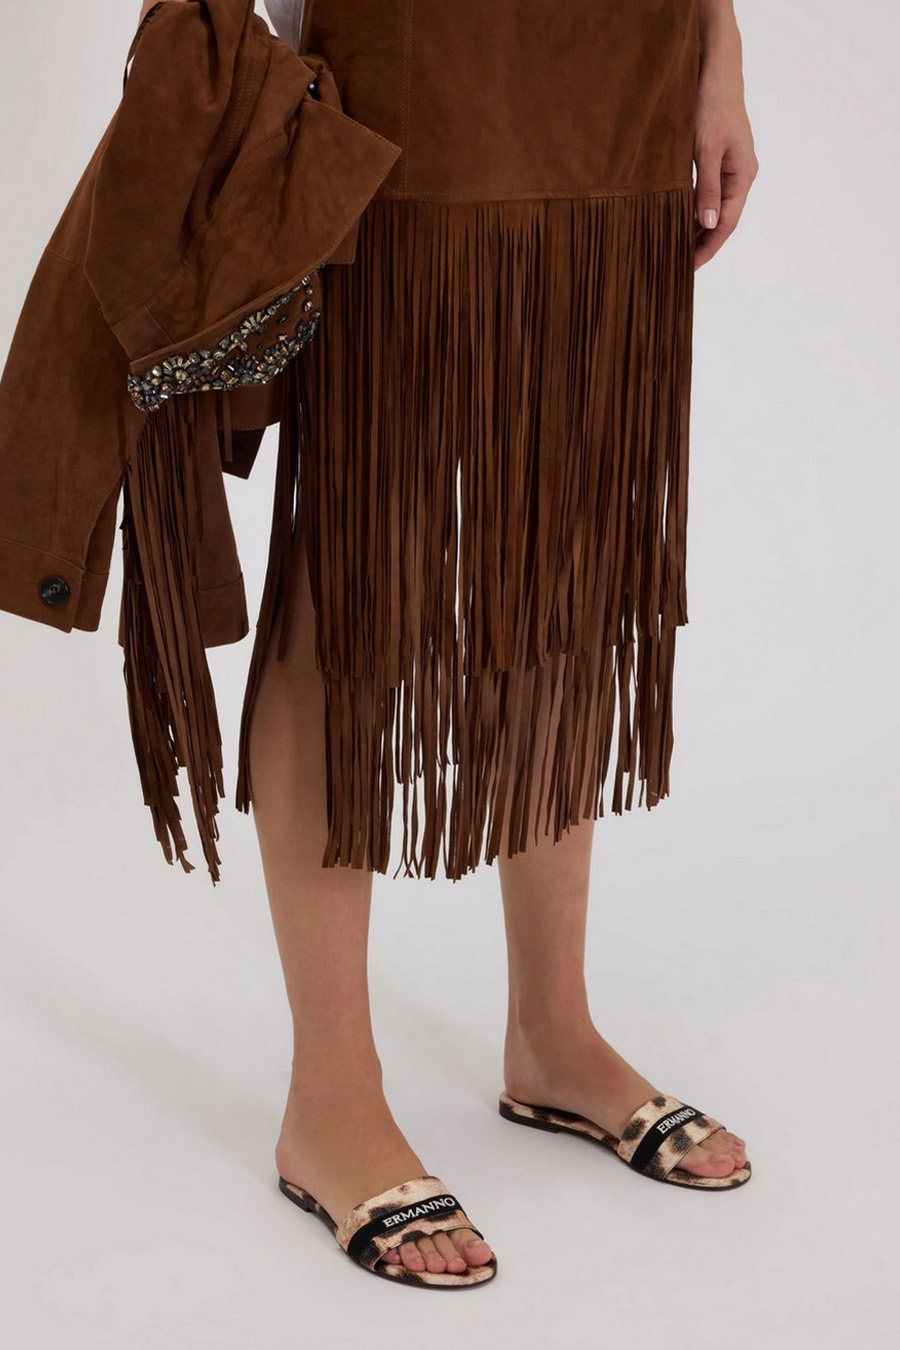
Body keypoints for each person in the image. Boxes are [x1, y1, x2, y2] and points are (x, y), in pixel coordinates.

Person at [140, 0, 759, 1285]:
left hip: (621, 72)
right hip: (404, 71)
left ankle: (554, 1034)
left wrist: (721, 47)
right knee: (355, 568)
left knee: (569, 550)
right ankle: (331, 1095)